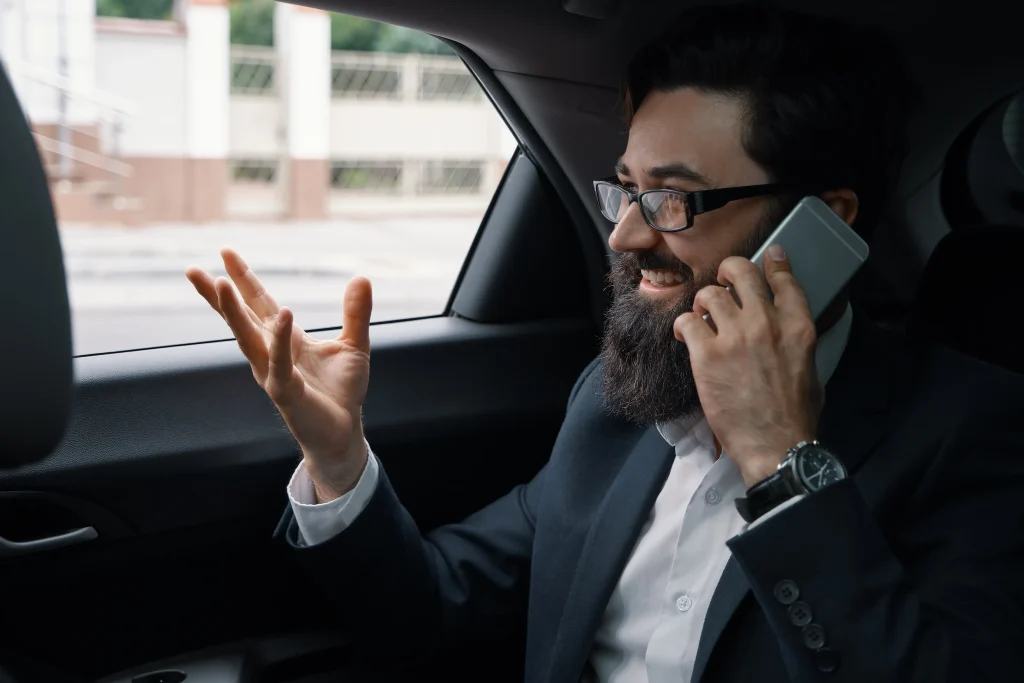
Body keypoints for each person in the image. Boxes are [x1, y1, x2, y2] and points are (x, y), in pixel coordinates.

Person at [186, 3, 1024, 681]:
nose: (624, 235)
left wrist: (781, 464)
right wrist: (338, 459)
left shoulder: (969, 432)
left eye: (673, 200)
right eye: (625, 189)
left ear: (822, 222)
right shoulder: (611, 407)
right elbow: (431, 612)